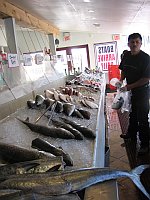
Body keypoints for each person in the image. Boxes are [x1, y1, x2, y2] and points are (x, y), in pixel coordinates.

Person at [116, 33, 150, 155]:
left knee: (142, 117)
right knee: (132, 113)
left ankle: (145, 144)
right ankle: (131, 134)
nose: (134, 44)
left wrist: (129, 86)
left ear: (141, 43)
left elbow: (146, 79)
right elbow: (124, 69)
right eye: (132, 42)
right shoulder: (126, 56)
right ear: (128, 44)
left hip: (143, 92)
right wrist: (121, 80)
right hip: (130, 90)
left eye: (137, 42)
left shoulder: (146, 58)